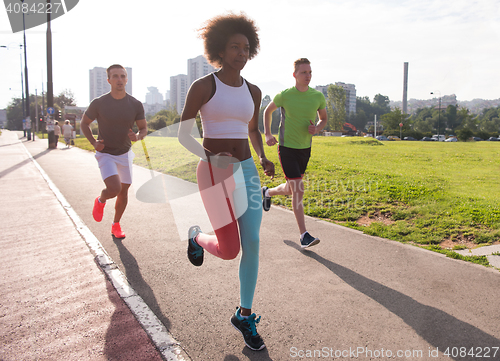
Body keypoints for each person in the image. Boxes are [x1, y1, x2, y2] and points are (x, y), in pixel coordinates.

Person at [178, 13, 274, 351]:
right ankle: (196, 236)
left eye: (246, 48)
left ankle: (244, 315)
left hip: (246, 169)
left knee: (253, 240)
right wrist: (209, 158)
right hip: (214, 171)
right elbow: (184, 134)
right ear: (220, 48)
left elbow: (251, 130)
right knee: (230, 250)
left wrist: (261, 157)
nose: (241, 53)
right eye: (235, 47)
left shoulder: (254, 90)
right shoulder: (204, 86)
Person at [263, 58, 327, 248]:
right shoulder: (285, 95)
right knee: (298, 188)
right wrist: (267, 133)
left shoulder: (317, 97)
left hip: (305, 149)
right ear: (295, 75)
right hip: (287, 148)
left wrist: (317, 128)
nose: (308, 76)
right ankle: (304, 235)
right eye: (303, 73)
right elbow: (267, 111)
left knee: (292, 188)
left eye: (310, 73)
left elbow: (323, 119)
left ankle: (267, 192)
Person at [81, 64, 147, 239]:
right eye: (115, 76)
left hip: (125, 153)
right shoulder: (99, 103)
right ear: (109, 80)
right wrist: (94, 142)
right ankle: (101, 199)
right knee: (114, 188)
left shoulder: (135, 104)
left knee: (124, 192)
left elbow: (143, 129)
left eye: (123, 76)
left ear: (126, 79)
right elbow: (84, 123)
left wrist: (138, 136)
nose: (120, 79)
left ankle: (116, 225)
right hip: (106, 153)